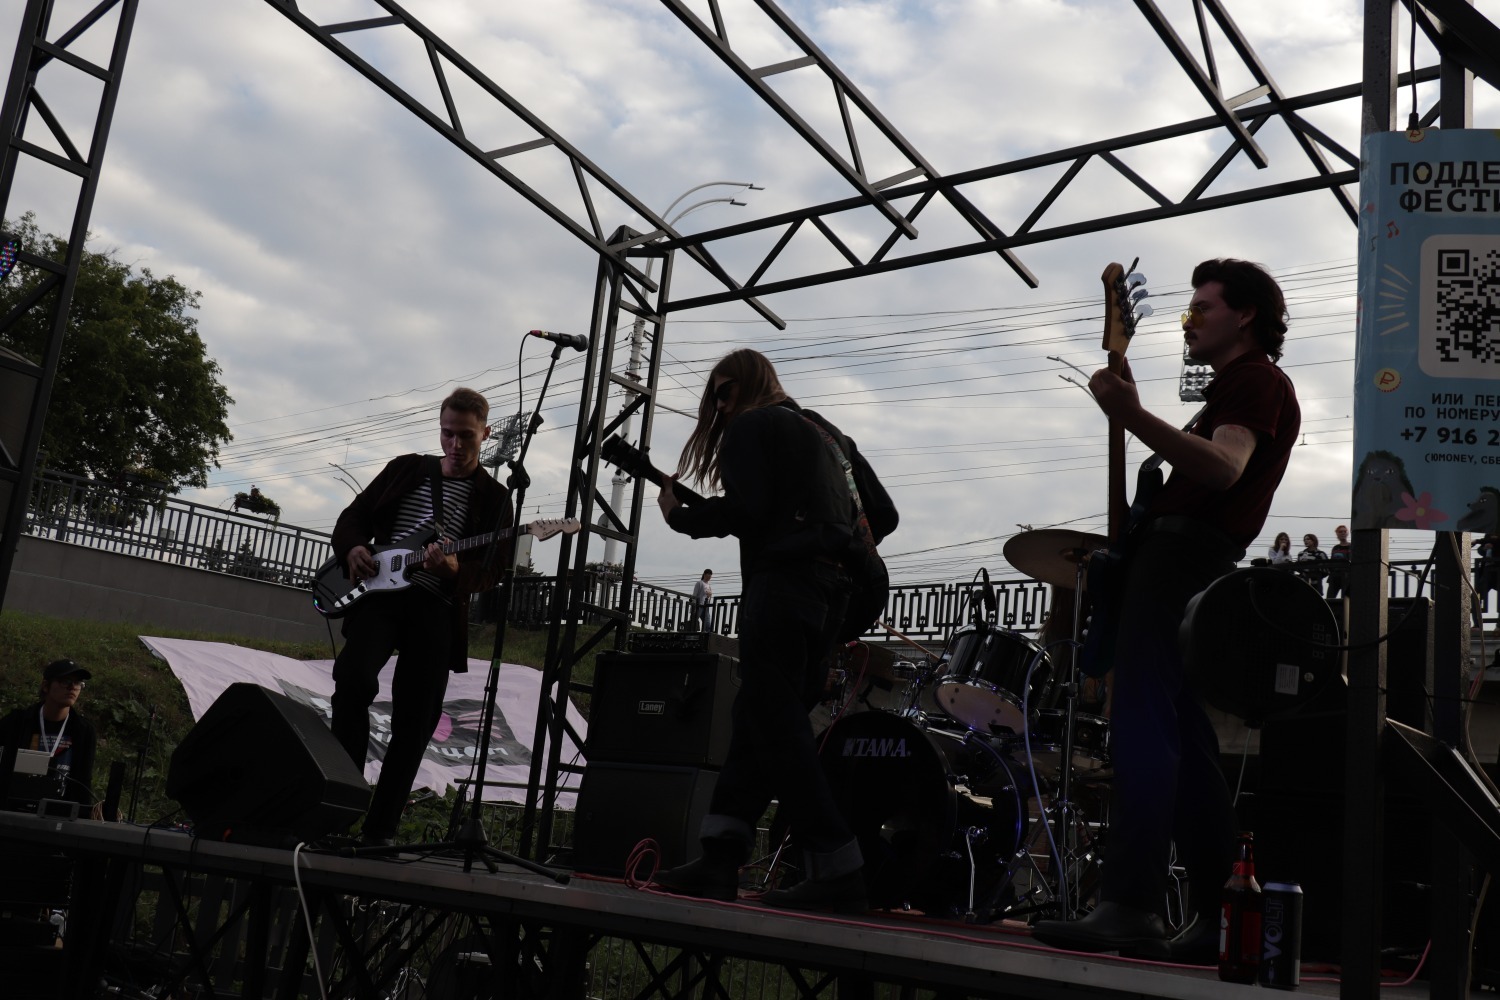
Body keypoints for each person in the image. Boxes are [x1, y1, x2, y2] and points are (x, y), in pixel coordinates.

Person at [1033, 259, 1301, 961]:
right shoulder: (1234, 390)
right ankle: (1221, 914)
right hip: (1181, 560)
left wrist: (1130, 415)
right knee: (1184, 742)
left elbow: (1223, 467)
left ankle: (1131, 904)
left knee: (1144, 729)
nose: (1189, 321)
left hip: (1179, 563)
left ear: (1245, 314)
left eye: (1201, 308)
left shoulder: (1254, 379)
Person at [652, 348, 897, 911]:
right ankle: (720, 857)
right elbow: (883, 515)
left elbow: (747, 511)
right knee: (759, 717)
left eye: (722, 393)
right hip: (838, 595)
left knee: (778, 724)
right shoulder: (831, 434)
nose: (718, 406)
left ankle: (836, 862)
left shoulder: (752, 425)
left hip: (784, 586)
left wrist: (680, 517)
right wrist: (827, 529)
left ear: (745, 385)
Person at [328, 388, 512, 846]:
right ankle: (338, 812)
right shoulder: (406, 469)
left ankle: (380, 832)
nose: (455, 444)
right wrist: (353, 548)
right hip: (380, 598)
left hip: (435, 609)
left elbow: (492, 571)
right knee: (351, 681)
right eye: (447, 433)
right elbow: (354, 516)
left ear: (486, 434)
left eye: (466, 436)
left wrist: (454, 570)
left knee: (416, 720)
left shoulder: (494, 498)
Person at [0, 659, 98, 814]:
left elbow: (83, 782)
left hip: (60, 816)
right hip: (13, 812)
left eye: (78, 683)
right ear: (46, 686)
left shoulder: (84, 730)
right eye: (65, 681)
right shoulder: (17, 721)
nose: (72, 687)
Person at [1325, 524, 1352, 599]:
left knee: (1346, 598)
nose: (1343, 533)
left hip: (1347, 575)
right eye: (1340, 532)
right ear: (1337, 534)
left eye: (1344, 531)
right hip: (1334, 575)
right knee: (1330, 598)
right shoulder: (1335, 548)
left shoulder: (1352, 546)